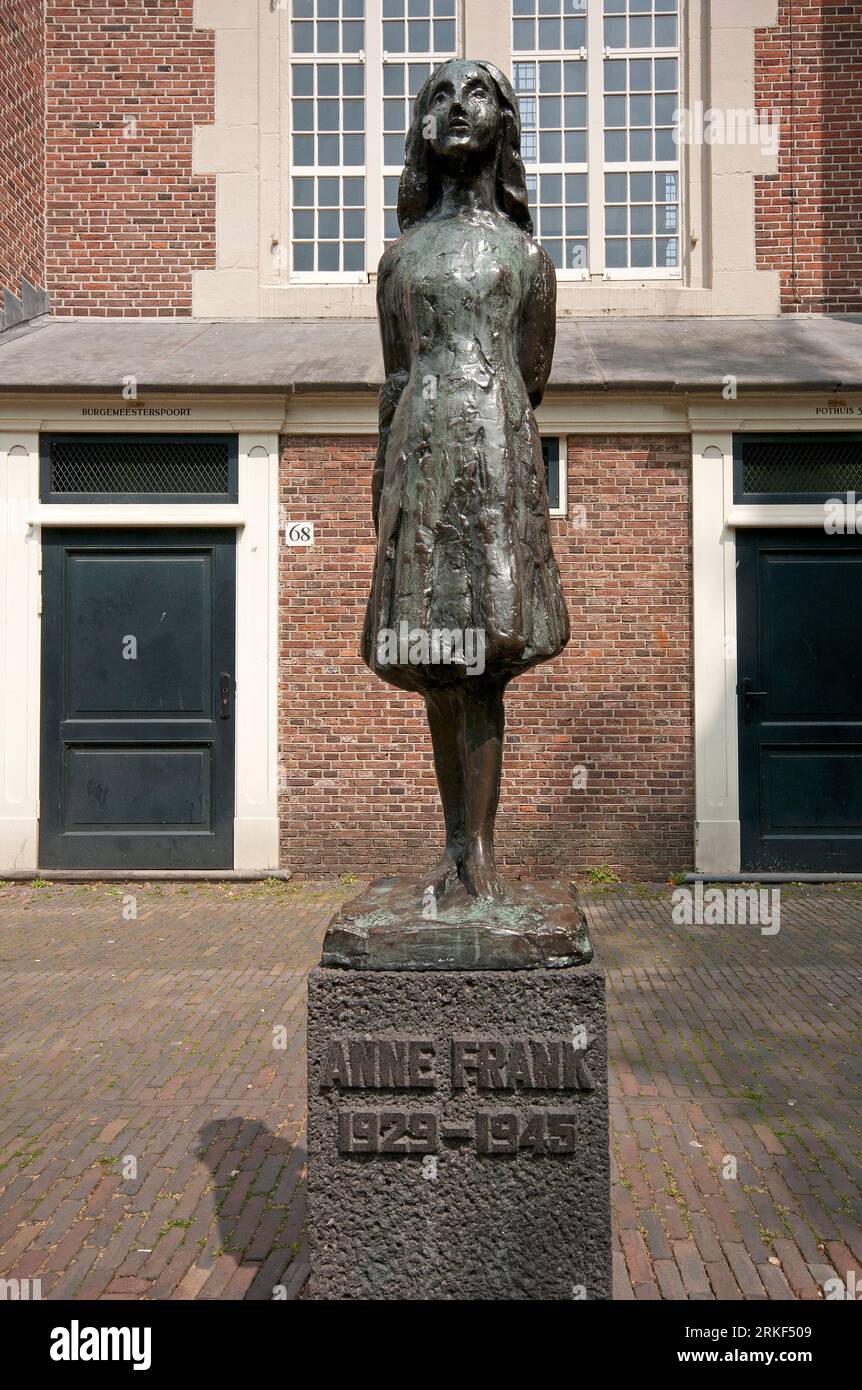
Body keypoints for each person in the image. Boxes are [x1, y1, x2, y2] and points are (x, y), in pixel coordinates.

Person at [362, 59, 570, 902]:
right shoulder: (399, 259)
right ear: (420, 128)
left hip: (491, 462)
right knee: (433, 657)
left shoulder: (526, 257)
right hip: (419, 463)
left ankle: (478, 850)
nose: (455, 109)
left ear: (503, 123)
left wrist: (488, 439)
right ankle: (453, 845)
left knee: (481, 660)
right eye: (437, 97)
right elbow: (392, 377)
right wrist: (385, 487)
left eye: (475, 93)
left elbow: (531, 371)